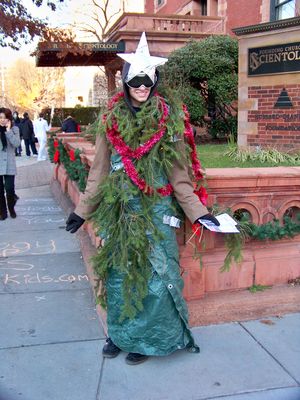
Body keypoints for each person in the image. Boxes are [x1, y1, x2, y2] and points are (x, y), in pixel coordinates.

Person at [65, 33, 220, 365]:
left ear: (155, 81)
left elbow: (180, 175)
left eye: (147, 80)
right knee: (121, 276)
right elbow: (100, 171)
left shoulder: (169, 120)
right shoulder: (111, 121)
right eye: (135, 80)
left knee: (156, 278)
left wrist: (199, 212)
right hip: (122, 212)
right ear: (124, 82)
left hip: (157, 210)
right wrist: (82, 211)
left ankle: (147, 339)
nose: (141, 86)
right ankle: (120, 335)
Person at [0, 107, 21, 220]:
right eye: (0, 118)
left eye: (4, 118)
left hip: (9, 164)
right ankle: (3, 212)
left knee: (9, 189)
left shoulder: (14, 129)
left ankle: (11, 208)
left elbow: (17, 144)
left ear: (9, 119)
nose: (2, 120)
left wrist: (8, 131)